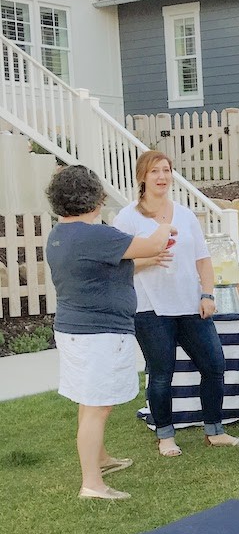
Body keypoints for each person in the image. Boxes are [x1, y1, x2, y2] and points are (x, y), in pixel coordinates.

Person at [45, 165, 173, 499]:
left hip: (75, 330)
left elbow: (103, 271)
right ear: (96, 199)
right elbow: (153, 242)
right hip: (98, 334)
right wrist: (165, 216)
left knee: (91, 401)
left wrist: (148, 260)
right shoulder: (95, 235)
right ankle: (92, 484)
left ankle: (100, 459)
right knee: (97, 406)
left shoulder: (61, 234)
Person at [113, 151, 239, 457]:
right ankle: (165, 436)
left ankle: (215, 431)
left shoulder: (185, 215)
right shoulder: (127, 218)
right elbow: (118, 265)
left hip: (191, 305)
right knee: (162, 373)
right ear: (142, 177)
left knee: (214, 365)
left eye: (166, 170)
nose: (162, 177)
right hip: (150, 309)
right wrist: (148, 260)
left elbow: (203, 260)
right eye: (154, 171)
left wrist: (207, 294)